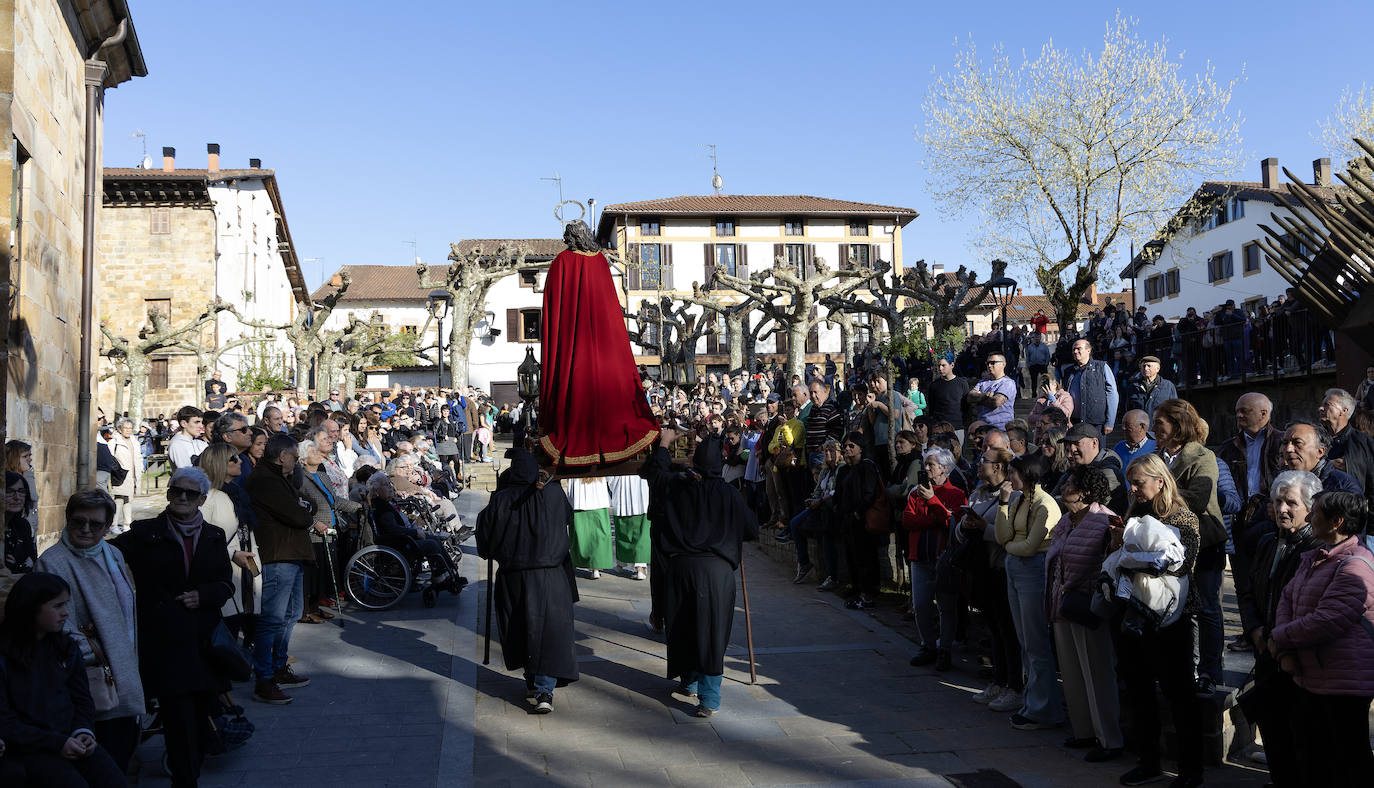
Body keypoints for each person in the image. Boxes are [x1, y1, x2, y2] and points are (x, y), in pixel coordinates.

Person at [110, 468, 234, 788]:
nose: (181, 497)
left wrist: (203, 595)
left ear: (202, 500)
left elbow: (224, 584)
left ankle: (190, 769)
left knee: (199, 717)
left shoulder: (214, 536)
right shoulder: (144, 531)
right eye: (176, 490)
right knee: (178, 719)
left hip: (203, 642)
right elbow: (108, 552)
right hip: (164, 642)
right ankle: (185, 779)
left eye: (190, 494)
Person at [641, 428, 756, 716]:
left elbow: (657, 474)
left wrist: (665, 444)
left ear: (694, 465)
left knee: (684, 627)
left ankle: (689, 681)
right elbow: (751, 530)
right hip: (717, 573)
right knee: (711, 630)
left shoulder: (678, 487)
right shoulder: (730, 494)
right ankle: (708, 697)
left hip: (682, 568)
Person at [33, 489, 145, 773]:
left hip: (125, 669)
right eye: (77, 521)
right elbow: (57, 626)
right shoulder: (53, 562)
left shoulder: (113, 553)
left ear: (108, 526)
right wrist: (92, 652)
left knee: (123, 750)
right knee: (102, 761)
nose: (85, 529)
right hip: (93, 679)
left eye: (95, 525)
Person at [1271, 490, 1374, 786]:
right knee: (1315, 757)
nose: (1309, 517)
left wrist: (1278, 638)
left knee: (1347, 759)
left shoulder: (1355, 565)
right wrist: (1284, 651)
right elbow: (1287, 599)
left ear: (1336, 522)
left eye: (1315, 512)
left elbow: (1325, 621)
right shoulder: (1316, 557)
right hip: (1313, 675)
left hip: (1343, 681)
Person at [539, 221, 660, 466]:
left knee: (577, 383)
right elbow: (610, 309)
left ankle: (577, 441)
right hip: (604, 345)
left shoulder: (562, 262)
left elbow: (554, 310)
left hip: (574, 343)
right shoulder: (601, 261)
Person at [1116, 454, 1204, 787]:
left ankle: (1190, 771)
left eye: (1139, 482)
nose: (1133, 488)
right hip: (1134, 613)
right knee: (1139, 690)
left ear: (1160, 481)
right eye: (1131, 482)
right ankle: (1148, 761)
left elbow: (1181, 564)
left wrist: (1132, 556)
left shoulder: (1183, 517)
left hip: (1172, 617)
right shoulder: (1135, 512)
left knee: (1180, 695)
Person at [1234, 469, 1321, 786]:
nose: (1282, 509)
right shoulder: (1268, 541)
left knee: (1301, 737)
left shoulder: (1316, 550)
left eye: (1291, 503)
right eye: (1278, 502)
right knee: (1273, 732)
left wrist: (1281, 640)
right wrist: (1254, 629)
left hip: (1297, 660)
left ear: (1310, 508)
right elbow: (1246, 591)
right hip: (1265, 652)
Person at [476, 448, 579, 714]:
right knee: (546, 632)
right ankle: (543, 687)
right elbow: (568, 518)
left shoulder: (500, 500)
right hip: (549, 577)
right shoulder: (554, 494)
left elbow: (486, 545)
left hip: (514, 576)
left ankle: (536, 682)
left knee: (523, 629)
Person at [0, 572, 127, 787]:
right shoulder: (5, 656)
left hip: (73, 738)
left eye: (66, 604)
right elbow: (5, 720)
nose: (65, 613)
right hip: (31, 748)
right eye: (57, 606)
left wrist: (83, 731)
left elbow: (82, 699)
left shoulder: (66, 648)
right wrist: (56, 743)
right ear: (31, 608)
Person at [1046, 467, 1123, 762]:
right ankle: (1084, 732)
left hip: (1088, 607)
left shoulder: (1104, 519)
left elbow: (1110, 561)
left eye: (1070, 483)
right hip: (1062, 605)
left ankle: (1110, 740)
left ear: (1086, 491)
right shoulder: (1067, 520)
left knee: (1098, 673)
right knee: (1072, 672)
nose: (1064, 486)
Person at [245, 434, 319, 705]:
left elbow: (302, 509)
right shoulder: (266, 480)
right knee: (273, 618)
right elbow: (298, 515)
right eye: (295, 457)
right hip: (279, 554)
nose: (297, 462)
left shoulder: (278, 477)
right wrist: (304, 512)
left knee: (289, 614)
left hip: (291, 553)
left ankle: (277, 667)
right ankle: (264, 678)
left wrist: (304, 510)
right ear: (283, 456)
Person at [993, 452, 1064, 730]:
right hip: (1016, 567)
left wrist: (1009, 548)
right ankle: (1034, 702)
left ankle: (1044, 708)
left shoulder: (1046, 505)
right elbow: (1002, 535)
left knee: (1036, 642)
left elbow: (1029, 546)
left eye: (1013, 473)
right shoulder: (1019, 499)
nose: (1009, 478)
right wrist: (1001, 503)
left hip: (1032, 569)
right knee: (1025, 640)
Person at [952, 447, 1024, 712]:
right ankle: (998, 680)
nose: (979, 464)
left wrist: (984, 529)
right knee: (992, 628)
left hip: (1002, 570)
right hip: (979, 570)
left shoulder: (1014, 497)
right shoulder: (978, 494)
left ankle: (1014, 686)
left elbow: (1011, 535)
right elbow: (960, 533)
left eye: (985, 461)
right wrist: (964, 526)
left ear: (998, 467)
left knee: (1008, 630)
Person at [902, 447, 965, 668]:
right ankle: (928, 645)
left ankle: (945, 649)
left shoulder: (956, 494)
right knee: (921, 605)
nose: (926, 468)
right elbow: (908, 521)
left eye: (931, 465)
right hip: (919, 557)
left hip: (943, 558)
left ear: (944, 469)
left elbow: (953, 524)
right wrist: (935, 517)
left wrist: (933, 503)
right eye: (925, 464)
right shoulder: (914, 493)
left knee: (946, 606)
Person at [197, 443, 260, 648]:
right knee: (227, 628)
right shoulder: (208, 498)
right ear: (218, 464)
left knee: (250, 618)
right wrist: (232, 553)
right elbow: (202, 538)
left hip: (247, 568)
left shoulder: (237, 492)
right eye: (233, 459)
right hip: (225, 572)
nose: (239, 460)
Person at [834, 432, 884, 610]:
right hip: (848, 519)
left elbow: (869, 493)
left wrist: (858, 512)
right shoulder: (847, 469)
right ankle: (857, 588)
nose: (847, 449)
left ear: (860, 448)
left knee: (865, 557)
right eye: (845, 446)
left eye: (851, 446)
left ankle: (867, 593)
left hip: (862, 520)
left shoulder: (867, 466)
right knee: (852, 555)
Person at [1054, 424, 1127, 515]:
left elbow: (1090, 507)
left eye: (1076, 443)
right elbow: (1054, 495)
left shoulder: (1108, 473)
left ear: (1094, 443)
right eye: (1068, 444)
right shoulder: (1075, 469)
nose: (1071, 450)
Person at [1320, 388, 1374, 509]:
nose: (1321, 408)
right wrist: (1328, 465)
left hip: (1352, 512)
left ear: (1343, 411)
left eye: (1327, 405)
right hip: (1319, 512)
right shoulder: (1314, 440)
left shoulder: (1364, 442)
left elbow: (1372, 487)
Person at [1279, 420, 1361, 497]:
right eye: (1285, 443)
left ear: (1320, 452)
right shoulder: (1279, 481)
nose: (1288, 449)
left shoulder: (1342, 485)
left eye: (1297, 442)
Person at [564, 477, 613, 579]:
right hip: (597, 496)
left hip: (579, 495)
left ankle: (575, 564)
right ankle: (595, 568)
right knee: (597, 534)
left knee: (579, 534)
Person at [1066, 339, 1118, 434]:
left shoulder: (1102, 367)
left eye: (1078, 348)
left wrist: (1110, 422)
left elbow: (1112, 394)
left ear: (1088, 350)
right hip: (1074, 423)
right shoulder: (1069, 371)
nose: (1075, 351)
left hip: (1096, 423)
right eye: (1073, 349)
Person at [608, 475, 651, 580]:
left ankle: (622, 564)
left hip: (624, 492)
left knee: (624, 531)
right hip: (641, 493)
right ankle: (639, 567)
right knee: (641, 534)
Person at [107, 419, 142, 533]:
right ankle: (114, 525)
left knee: (129, 500)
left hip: (132, 475)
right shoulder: (114, 442)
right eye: (125, 428)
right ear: (120, 429)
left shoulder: (135, 441)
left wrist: (140, 470)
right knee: (118, 500)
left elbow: (138, 458)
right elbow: (110, 459)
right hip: (119, 475)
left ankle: (127, 523)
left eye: (130, 428)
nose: (128, 430)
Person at [967, 352, 1017, 431]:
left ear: (1003, 364)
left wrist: (978, 399)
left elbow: (996, 402)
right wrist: (985, 396)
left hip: (1000, 429)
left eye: (993, 363)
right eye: (987, 363)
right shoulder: (982, 382)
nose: (989, 366)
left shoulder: (1008, 383)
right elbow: (969, 398)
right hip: (982, 429)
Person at [927, 357, 970, 445]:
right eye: (939, 365)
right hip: (939, 428)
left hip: (957, 427)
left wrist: (964, 423)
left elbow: (966, 406)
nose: (940, 368)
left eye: (943, 365)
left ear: (952, 365)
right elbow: (931, 407)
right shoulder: (934, 385)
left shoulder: (962, 383)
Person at [4, 471, 36, 574]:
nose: (17, 497)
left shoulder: (22, 526)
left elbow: (32, 559)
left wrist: (18, 566)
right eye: (9, 491)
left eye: (21, 491)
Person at [166, 406, 208, 470]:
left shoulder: (200, 442)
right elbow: (186, 472)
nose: (201, 426)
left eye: (201, 422)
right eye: (196, 422)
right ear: (184, 423)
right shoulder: (177, 445)